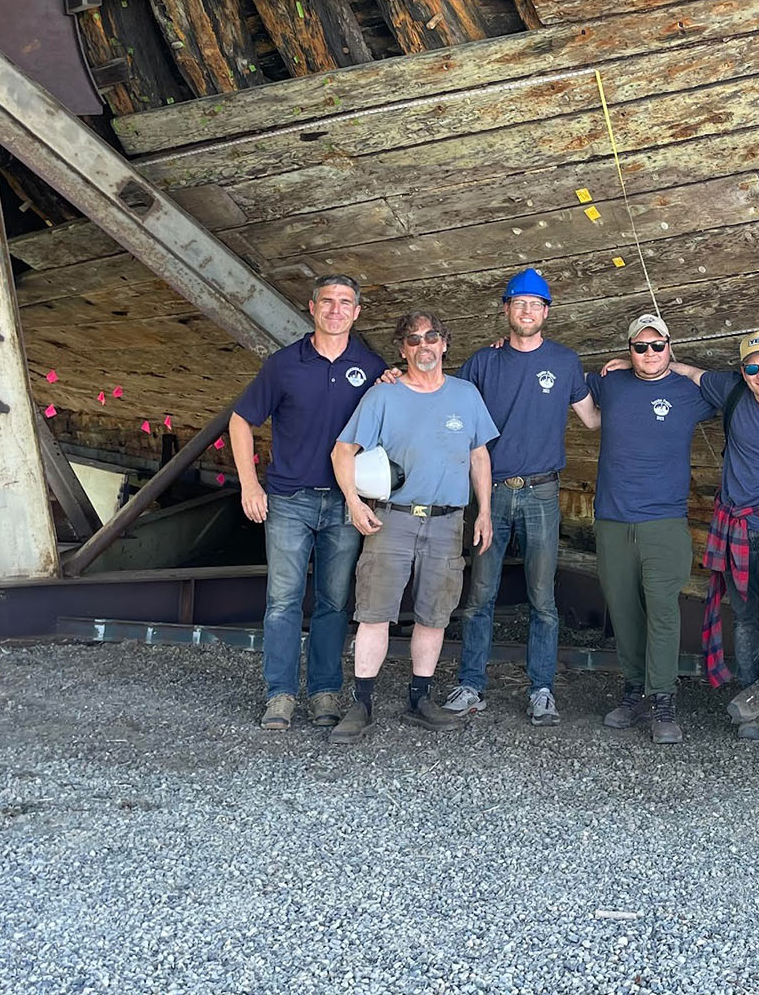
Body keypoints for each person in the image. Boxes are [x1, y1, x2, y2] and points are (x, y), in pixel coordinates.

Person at [642, 331, 759, 740]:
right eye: (752, 367)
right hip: (736, 524)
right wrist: (634, 359)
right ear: (742, 371)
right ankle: (753, 706)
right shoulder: (731, 390)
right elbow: (688, 371)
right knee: (745, 616)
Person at [326, 311, 497, 744]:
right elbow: (342, 451)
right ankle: (361, 702)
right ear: (403, 350)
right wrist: (352, 500)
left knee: (434, 615)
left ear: (445, 344)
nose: (424, 346)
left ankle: (420, 698)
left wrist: (485, 511)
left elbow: (479, 456)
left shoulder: (466, 394)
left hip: (447, 521)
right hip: (392, 519)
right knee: (374, 613)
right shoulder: (382, 397)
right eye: (414, 340)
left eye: (432, 338)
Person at [228, 274, 388, 732]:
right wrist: (248, 485)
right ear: (312, 308)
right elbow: (242, 422)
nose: (336, 310)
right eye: (327, 302)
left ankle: (323, 691)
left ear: (357, 312)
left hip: (345, 502)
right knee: (282, 601)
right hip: (288, 499)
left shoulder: (372, 367)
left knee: (334, 602)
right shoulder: (283, 365)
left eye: (345, 303)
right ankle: (279, 695)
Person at [443, 268, 599, 727]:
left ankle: (542, 690)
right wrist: (395, 377)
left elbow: (592, 419)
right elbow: (445, 402)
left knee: (542, 599)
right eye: (520, 303)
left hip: (542, 494)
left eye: (536, 305)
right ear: (507, 310)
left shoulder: (566, 361)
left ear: (546, 313)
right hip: (490, 493)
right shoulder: (481, 363)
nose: (528, 311)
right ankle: (472, 685)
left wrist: (631, 372)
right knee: (480, 595)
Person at [588, 312, 716, 745]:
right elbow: (567, 384)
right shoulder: (610, 383)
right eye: (639, 347)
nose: (648, 354)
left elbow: (737, 388)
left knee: (662, 609)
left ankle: (663, 696)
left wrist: (682, 367)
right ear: (629, 350)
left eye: (657, 346)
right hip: (612, 518)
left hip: (664, 521)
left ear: (668, 346)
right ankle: (633, 689)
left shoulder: (686, 391)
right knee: (623, 609)